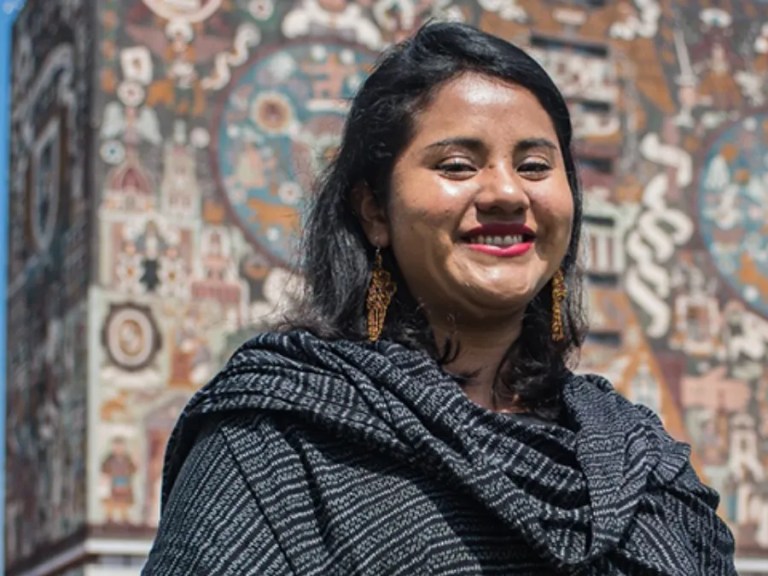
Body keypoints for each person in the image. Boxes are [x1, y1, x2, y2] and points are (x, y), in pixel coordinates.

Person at [144, 22, 737, 575]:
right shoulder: (275, 447)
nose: (507, 192)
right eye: (457, 165)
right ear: (375, 211)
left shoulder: (645, 467)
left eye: (534, 166)